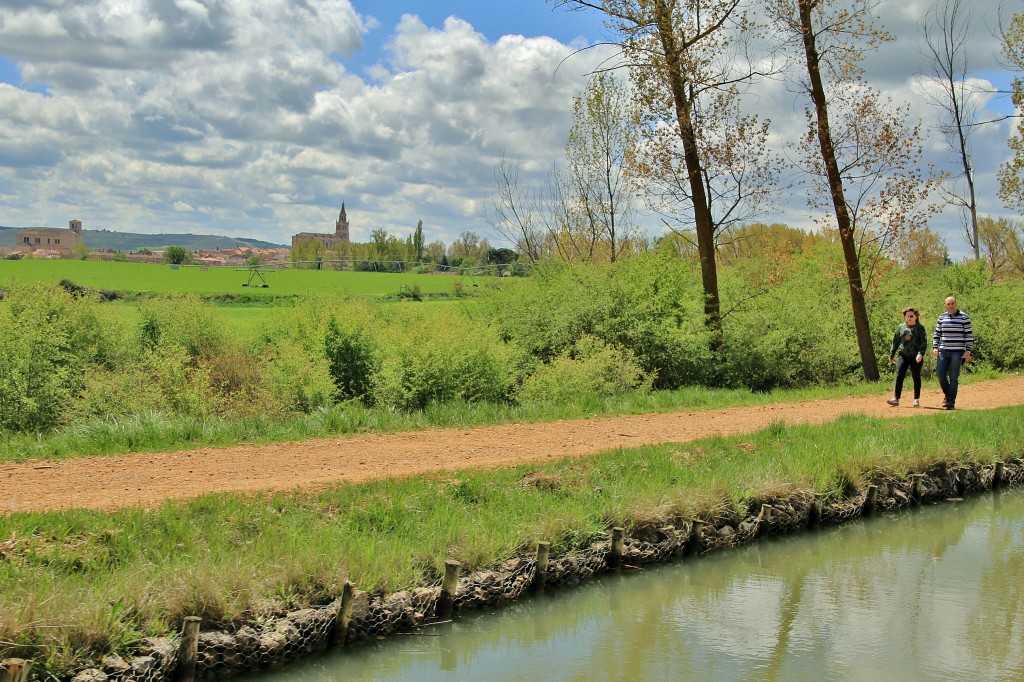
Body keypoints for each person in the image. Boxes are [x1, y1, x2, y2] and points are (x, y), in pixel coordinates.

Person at [932, 296, 974, 410]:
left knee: (954, 376)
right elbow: (937, 334)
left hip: (957, 351)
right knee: (940, 374)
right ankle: (948, 396)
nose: (951, 305)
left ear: (956, 304)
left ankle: (950, 401)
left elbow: (969, 335)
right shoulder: (942, 317)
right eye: (948, 304)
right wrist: (935, 347)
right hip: (943, 350)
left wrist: (968, 350)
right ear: (945, 305)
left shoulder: (964, 317)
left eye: (953, 303)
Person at [887, 306, 927, 407]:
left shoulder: (920, 328)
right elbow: (895, 341)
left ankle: (916, 399)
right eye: (907, 315)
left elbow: (923, 343)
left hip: (915, 356)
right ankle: (896, 398)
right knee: (899, 374)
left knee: (916, 376)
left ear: (916, 317)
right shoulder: (901, 327)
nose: (909, 317)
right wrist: (891, 355)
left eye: (911, 316)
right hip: (903, 355)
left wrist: (920, 354)